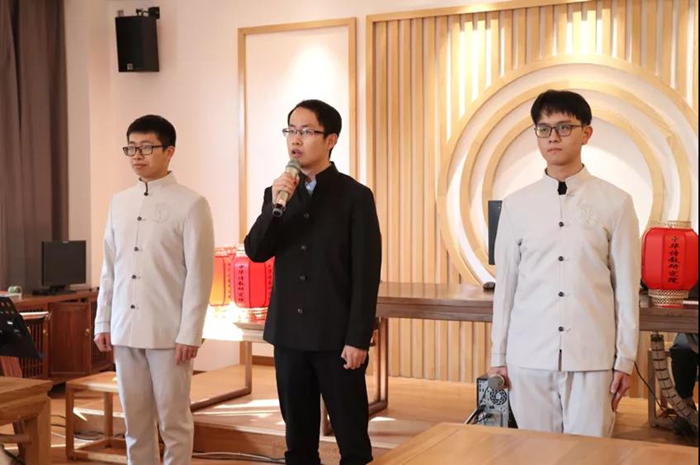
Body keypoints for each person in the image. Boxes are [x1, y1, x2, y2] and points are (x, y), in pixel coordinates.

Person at [488, 90, 641, 437]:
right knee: (535, 453)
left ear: (586, 133)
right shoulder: (515, 205)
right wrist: (499, 355)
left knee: (590, 455)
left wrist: (625, 358)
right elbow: (506, 290)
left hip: (593, 358)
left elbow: (626, 289)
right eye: (543, 129)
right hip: (528, 357)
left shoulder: (616, 203)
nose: (553, 137)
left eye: (563, 127)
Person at [244, 99, 382, 464]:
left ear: (330, 139)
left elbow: (367, 273)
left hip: (336, 339)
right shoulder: (277, 194)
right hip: (289, 336)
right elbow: (256, 251)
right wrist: (274, 208)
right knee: (299, 442)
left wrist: (358, 338)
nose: (296, 139)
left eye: (306, 131)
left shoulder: (355, 197)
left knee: (352, 441)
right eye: (291, 130)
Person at [94, 115, 215, 464]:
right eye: (131, 148)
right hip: (124, 329)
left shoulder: (191, 203)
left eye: (146, 147)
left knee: (174, 422)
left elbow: (199, 275)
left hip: (169, 334)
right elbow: (110, 268)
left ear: (169, 151)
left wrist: (190, 332)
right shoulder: (119, 202)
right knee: (135, 423)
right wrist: (103, 321)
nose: (137, 155)